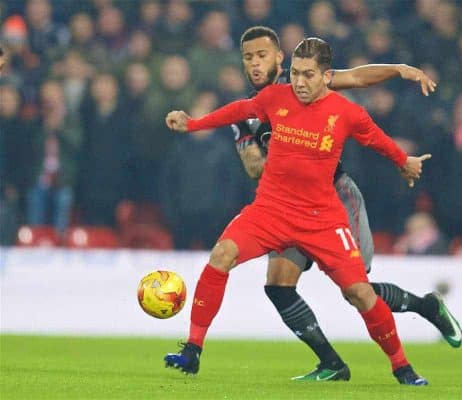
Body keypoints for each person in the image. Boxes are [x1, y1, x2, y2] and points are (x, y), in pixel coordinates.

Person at [164, 37, 437, 386]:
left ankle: (402, 367)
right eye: (295, 73)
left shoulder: (347, 112)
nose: (300, 82)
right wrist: (193, 124)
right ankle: (192, 350)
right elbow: (240, 110)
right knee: (221, 256)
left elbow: (377, 139)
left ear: (326, 76)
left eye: (308, 75)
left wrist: (404, 161)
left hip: (321, 217)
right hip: (271, 210)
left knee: (360, 293)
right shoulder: (275, 98)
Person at [227, 26, 462, 381]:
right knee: (277, 284)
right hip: (285, 205)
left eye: (262, 56)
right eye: (248, 58)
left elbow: (357, 77)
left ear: (279, 57)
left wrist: (399, 68)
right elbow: (253, 167)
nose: (255, 64)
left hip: (334, 195)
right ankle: (332, 364)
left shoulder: (305, 81)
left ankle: (425, 306)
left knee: (357, 290)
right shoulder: (247, 112)